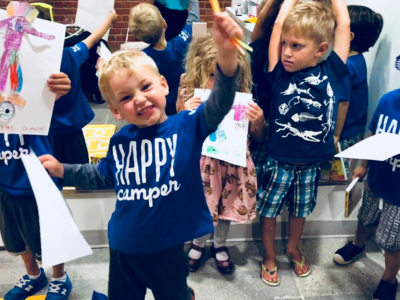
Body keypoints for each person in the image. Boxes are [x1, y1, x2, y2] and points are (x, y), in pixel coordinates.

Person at [40, 11, 243, 300]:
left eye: (145, 87)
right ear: (115, 111)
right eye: (125, 97)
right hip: (123, 247)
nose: (138, 98)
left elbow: (221, 102)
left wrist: (226, 56)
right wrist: (63, 170)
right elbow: (102, 174)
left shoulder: (186, 125)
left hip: (167, 249)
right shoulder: (120, 140)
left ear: (164, 84)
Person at [257, 0, 350, 286]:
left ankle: (293, 248)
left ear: (321, 49)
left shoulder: (332, 69)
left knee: (300, 211)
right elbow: (277, 25)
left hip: (310, 165)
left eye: (296, 46)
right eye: (285, 44)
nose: (286, 52)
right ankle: (269, 255)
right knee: (269, 211)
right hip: (278, 162)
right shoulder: (279, 72)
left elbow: (343, 24)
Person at [179, 36, 266, 274]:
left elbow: (258, 136)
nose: (219, 83)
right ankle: (198, 242)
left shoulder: (244, 97)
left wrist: (258, 121)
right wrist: (184, 111)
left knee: (226, 206)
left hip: (233, 165)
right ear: (199, 71)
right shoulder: (190, 93)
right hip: (202, 164)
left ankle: (219, 244)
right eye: (212, 76)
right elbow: (177, 128)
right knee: (201, 205)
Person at [0, 73, 72, 300]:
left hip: (38, 179)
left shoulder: (24, 79)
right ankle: (33, 275)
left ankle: (60, 278)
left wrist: (54, 90)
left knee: (51, 236)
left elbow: (47, 92)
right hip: (5, 180)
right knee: (16, 236)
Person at [333, 89, 400, 300]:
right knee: (365, 217)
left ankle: (389, 278)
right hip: (377, 179)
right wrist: (364, 165)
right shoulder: (388, 99)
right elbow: (373, 134)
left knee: (391, 240)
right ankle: (357, 245)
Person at [49, 11, 117, 164]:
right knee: (80, 176)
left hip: (43, 134)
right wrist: (109, 20)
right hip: (72, 131)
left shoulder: (20, 68)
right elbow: (93, 39)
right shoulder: (69, 55)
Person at [129, 0, 199, 116]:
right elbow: (192, 20)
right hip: (177, 103)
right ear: (164, 23)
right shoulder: (179, 44)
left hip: (152, 106)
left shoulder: (141, 59)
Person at [333, 5, 383, 159]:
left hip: (344, 133)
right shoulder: (358, 60)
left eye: (335, 25)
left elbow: (343, 102)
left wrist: (335, 135)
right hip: (355, 130)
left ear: (349, 36)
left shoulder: (346, 65)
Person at [249, 0, 282, 179]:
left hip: (268, 118)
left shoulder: (261, 48)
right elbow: (262, 21)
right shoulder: (261, 49)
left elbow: (262, 21)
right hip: (262, 118)